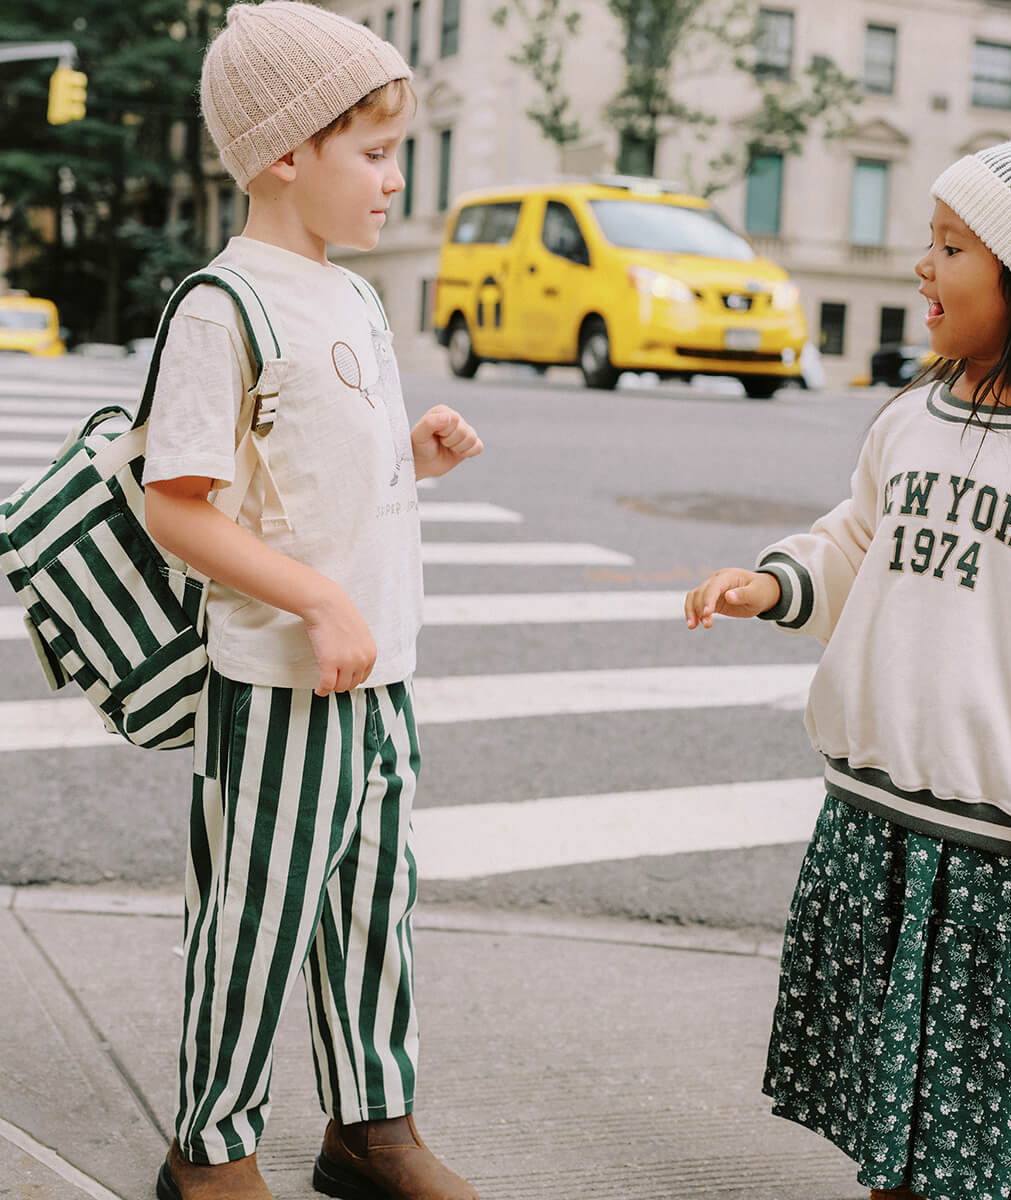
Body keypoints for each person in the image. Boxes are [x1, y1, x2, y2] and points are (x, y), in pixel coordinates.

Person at [684, 128, 1011, 1200]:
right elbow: (858, 544)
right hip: (875, 819)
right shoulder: (911, 418)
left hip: (994, 850)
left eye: (953, 247)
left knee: (971, 1128)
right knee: (891, 1108)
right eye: (931, 239)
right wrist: (772, 583)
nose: (923, 265)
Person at [141, 5, 482, 1198]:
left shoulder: (356, 297)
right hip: (281, 685)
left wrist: (414, 458)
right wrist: (318, 602)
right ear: (288, 152)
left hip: (377, 675)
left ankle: (371, 1126)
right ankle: (210, 1148)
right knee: (255, 919)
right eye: (376, 152)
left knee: (373, 913)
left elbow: (321, 475)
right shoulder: (222, 305)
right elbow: (177, 506)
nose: (397, 178)